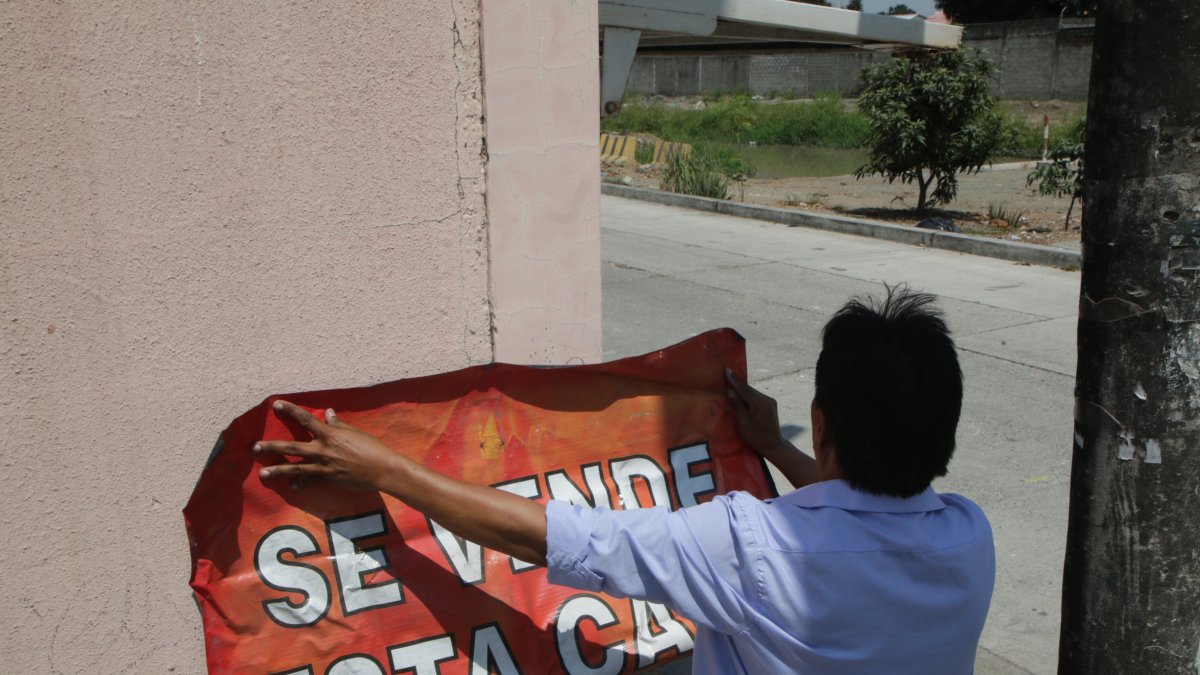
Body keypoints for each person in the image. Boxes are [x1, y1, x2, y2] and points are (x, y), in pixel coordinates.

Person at [255, 286, 995, 674]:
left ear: (822, 421)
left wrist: (385, 468)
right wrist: (776, 445)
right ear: (945, 435)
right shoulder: (970, 539)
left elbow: (559, 534)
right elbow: (870, 505)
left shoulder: (750, 544)